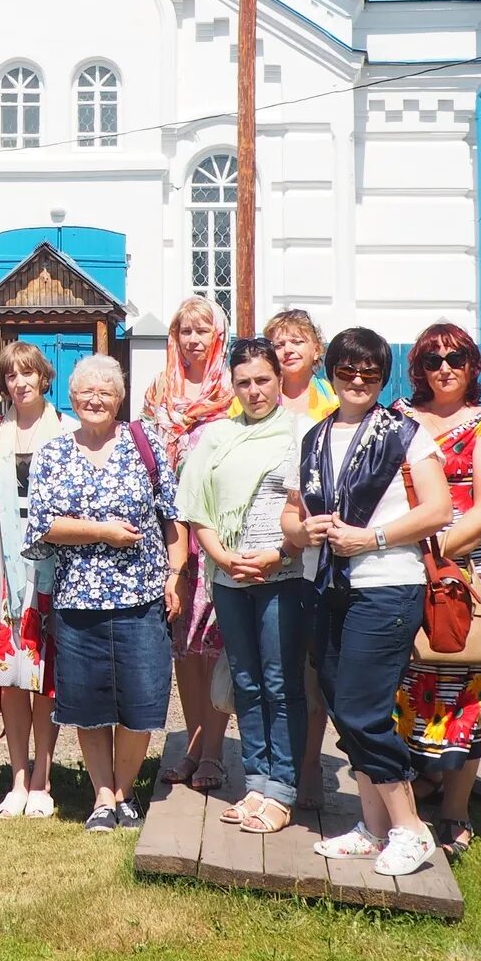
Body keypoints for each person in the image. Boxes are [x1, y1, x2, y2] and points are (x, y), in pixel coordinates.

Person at [284, 326, 454, 879]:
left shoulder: (405, 434)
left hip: (385, 584)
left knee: (364, 708)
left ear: (382, 378)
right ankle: (373, 826)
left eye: (370, 373)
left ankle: (411, 828)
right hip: (326, 586)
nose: (357, 381)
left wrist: (371, 538)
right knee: (341, 704)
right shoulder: (312, 438)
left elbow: (438, 510)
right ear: (329, 373)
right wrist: (303, 530)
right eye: (346, 371)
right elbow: (290, 512)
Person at [28, 355, 184, 830]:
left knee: (142, 699)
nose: (95, 399)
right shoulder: (53, 453)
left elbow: (171, 516)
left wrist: (175, 575)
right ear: (71, 399)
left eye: (106, 392)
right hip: (79, 599)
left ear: (120, 399)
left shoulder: (145, 444)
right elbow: (44, 525)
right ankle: (101, 797)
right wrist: (102, 532)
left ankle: (124, 790)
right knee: (89, 700)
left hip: (142, 596)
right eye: (86, 392)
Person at [175, 338, 311, 833]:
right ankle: (256, 781)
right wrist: (223, 557)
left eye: (262, 381)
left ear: (279, 380)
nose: (254, 391)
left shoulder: (301, 434)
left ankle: (283, 788)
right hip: (228, 577)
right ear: (231, 386)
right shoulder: (215, 437)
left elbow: (309, 509)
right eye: (243, 382)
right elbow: (196, 507)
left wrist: (277, 555)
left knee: (279, 681)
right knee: (246, 682)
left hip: (284, 575)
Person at [393, 323, 481, 858]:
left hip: (463, 569)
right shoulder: (398, 420)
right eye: (434, 359)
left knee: (461, 686)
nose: (445, 367)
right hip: (399, 560)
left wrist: (434, 552)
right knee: (405, 682)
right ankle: (415, 787)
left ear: (472, 366)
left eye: (457, 358)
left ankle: (455, 809)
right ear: (419, 368)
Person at [143, 298, 235, 791]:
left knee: (215, 644)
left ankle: (215, 753)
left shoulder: (233, 391)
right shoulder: (159, 390)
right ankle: (192, 745)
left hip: (217, 534)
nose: (194, 340)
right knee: (184, 645)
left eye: (203, 331)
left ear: (218, 336)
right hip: (170, 535)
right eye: (185, 331)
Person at [0, 341, 70, 819]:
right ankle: (16, 775)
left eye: (28, 373)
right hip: (1, 546)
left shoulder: (69, 431)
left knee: (44, 667)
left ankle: (43, 777)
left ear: (44, 377)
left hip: (52, 551)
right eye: (11, 375)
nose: (21, 382)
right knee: (10, 664)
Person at [257, 308, 338, 805]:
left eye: (297, 342)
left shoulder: (330, 402)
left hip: (313, 545)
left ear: (315, 350)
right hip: (260, 542)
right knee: (268, 663)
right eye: (279, 342)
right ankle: (267, 763)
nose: (288, 350)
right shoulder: (254, 396)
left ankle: (309, 766)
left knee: (311, 666)